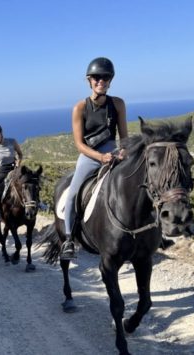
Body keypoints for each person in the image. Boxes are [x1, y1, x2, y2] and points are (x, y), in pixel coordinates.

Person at [61, 57, 129, 260]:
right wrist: (100, 156)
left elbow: (124, 137)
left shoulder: (117, 104)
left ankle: (152, 232)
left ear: (110, 80)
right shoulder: (80, 108)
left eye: (106, 77)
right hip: (90, 155)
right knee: (72, 195)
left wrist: (122, 152)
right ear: (89, 80)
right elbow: (79, 144)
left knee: (140, 182)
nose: (101, 81)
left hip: (114, 153)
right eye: (97, 77)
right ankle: (68, 239)